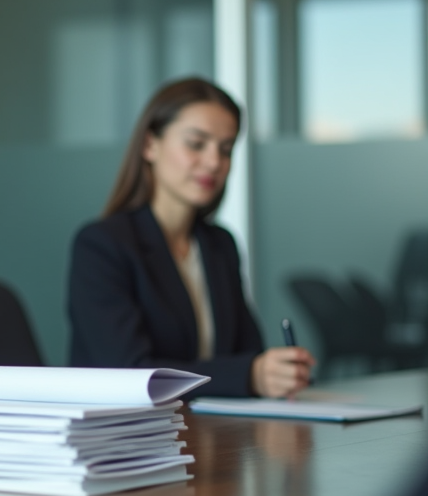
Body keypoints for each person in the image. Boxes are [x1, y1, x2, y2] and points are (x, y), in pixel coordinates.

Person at [67, 77, 315, 397]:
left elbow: (246, 352)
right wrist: (249, 376)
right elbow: (129, 371)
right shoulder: (102, 245)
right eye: (196, 144)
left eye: (226, 149)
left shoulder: (219, 245)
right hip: (129, 427)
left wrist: (276, 372)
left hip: (210, 424)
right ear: (150, 145)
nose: (214, 162)